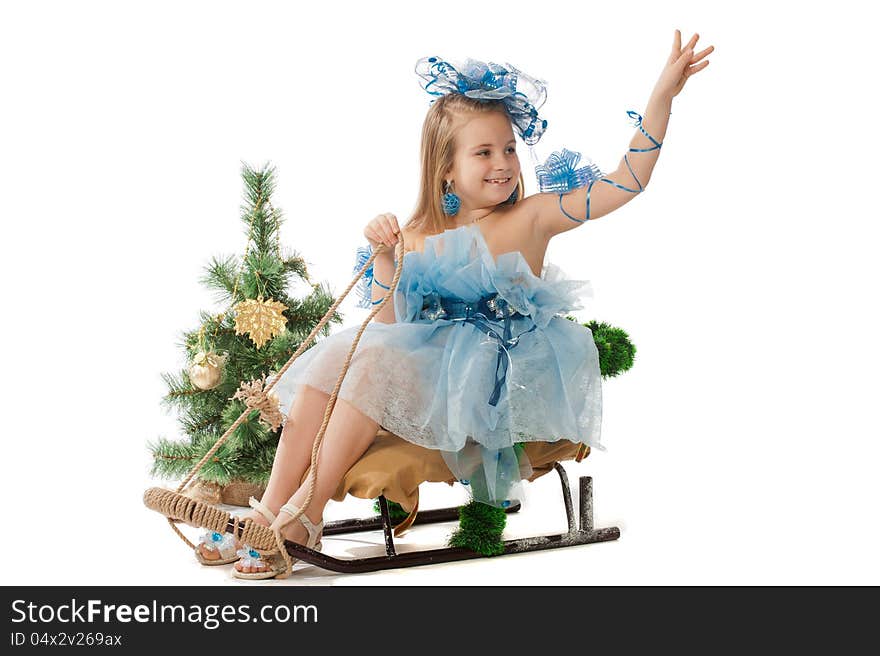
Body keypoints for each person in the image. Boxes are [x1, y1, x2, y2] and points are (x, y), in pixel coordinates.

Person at [196, 30, 713, 579]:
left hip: (497, 379)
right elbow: (390, 323)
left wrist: (662, 97)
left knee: (367, 360)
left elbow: (624, 183)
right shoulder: (419, 232)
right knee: (344, 355)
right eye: (484, 152)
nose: (504, 163)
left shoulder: (531, 216)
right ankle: (272, 511)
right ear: (446, 167)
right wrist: (387, 258)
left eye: (510, 149)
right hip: (427, 371)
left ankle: (305, 516)